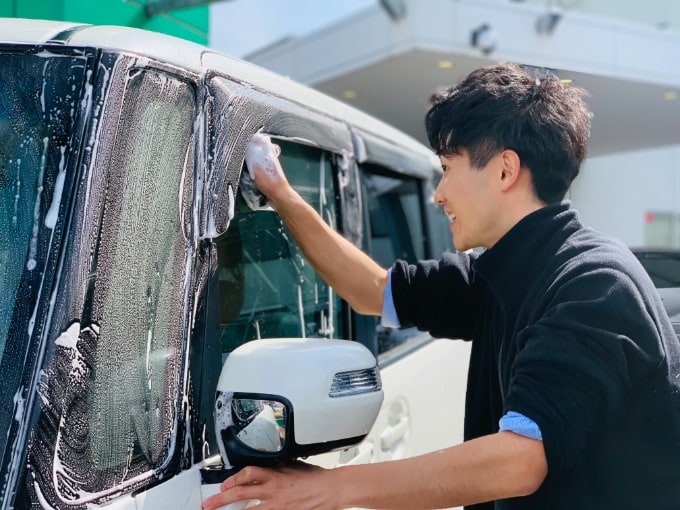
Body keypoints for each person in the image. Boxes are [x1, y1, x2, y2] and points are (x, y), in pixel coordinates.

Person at [203, 63, 680, 510]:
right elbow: (370, 290)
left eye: (449, 168)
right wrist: (281, 193)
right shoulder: (502, 273)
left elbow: (520, 460)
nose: (439, 193)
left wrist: (325, 489)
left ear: (505, 170)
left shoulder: (594, 286)